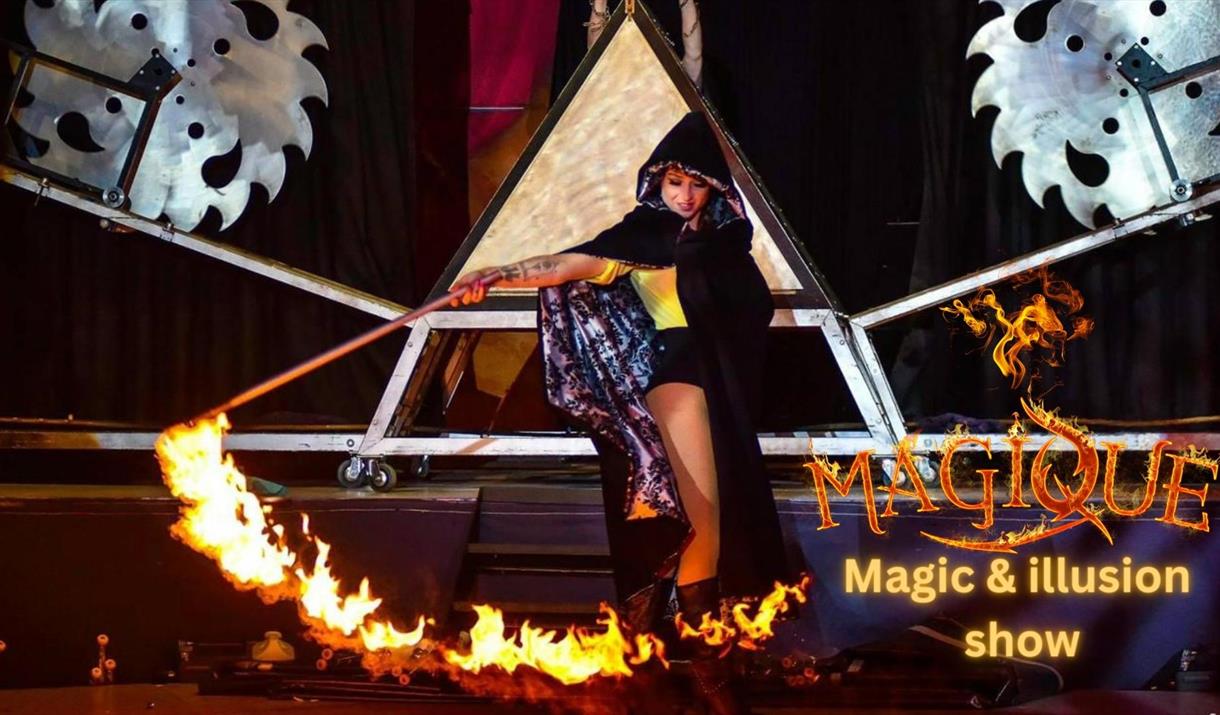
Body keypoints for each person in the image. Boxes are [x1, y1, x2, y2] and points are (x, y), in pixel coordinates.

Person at [450, 112, 794, 714]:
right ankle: (706, 665)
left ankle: (671, 657)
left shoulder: (728, 245)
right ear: (654, 187)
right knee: (703, 521)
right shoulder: (644, 239)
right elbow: (566, 264)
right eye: (672, 185)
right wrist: (497, 273)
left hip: (726, 390)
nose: (684, 196)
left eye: (696, 184)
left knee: (716, 518)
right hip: (676, 380)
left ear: (714, 188)